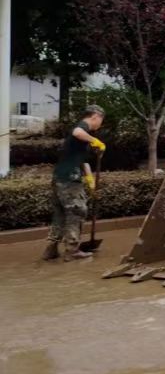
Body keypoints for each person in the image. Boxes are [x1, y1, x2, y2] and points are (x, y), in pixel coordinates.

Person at [42, 105, 106, 261]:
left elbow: (83, 162)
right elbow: (76, 131)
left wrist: (90, 182)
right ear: (95, 117)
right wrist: (95, 140)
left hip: (60, 177)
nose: (100, 124)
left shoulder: (82, 140)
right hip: (70, 179)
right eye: (101, 120)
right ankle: (72, 249)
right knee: (76, 211)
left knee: (60, 213)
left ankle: (51, 248)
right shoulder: (82, 128)